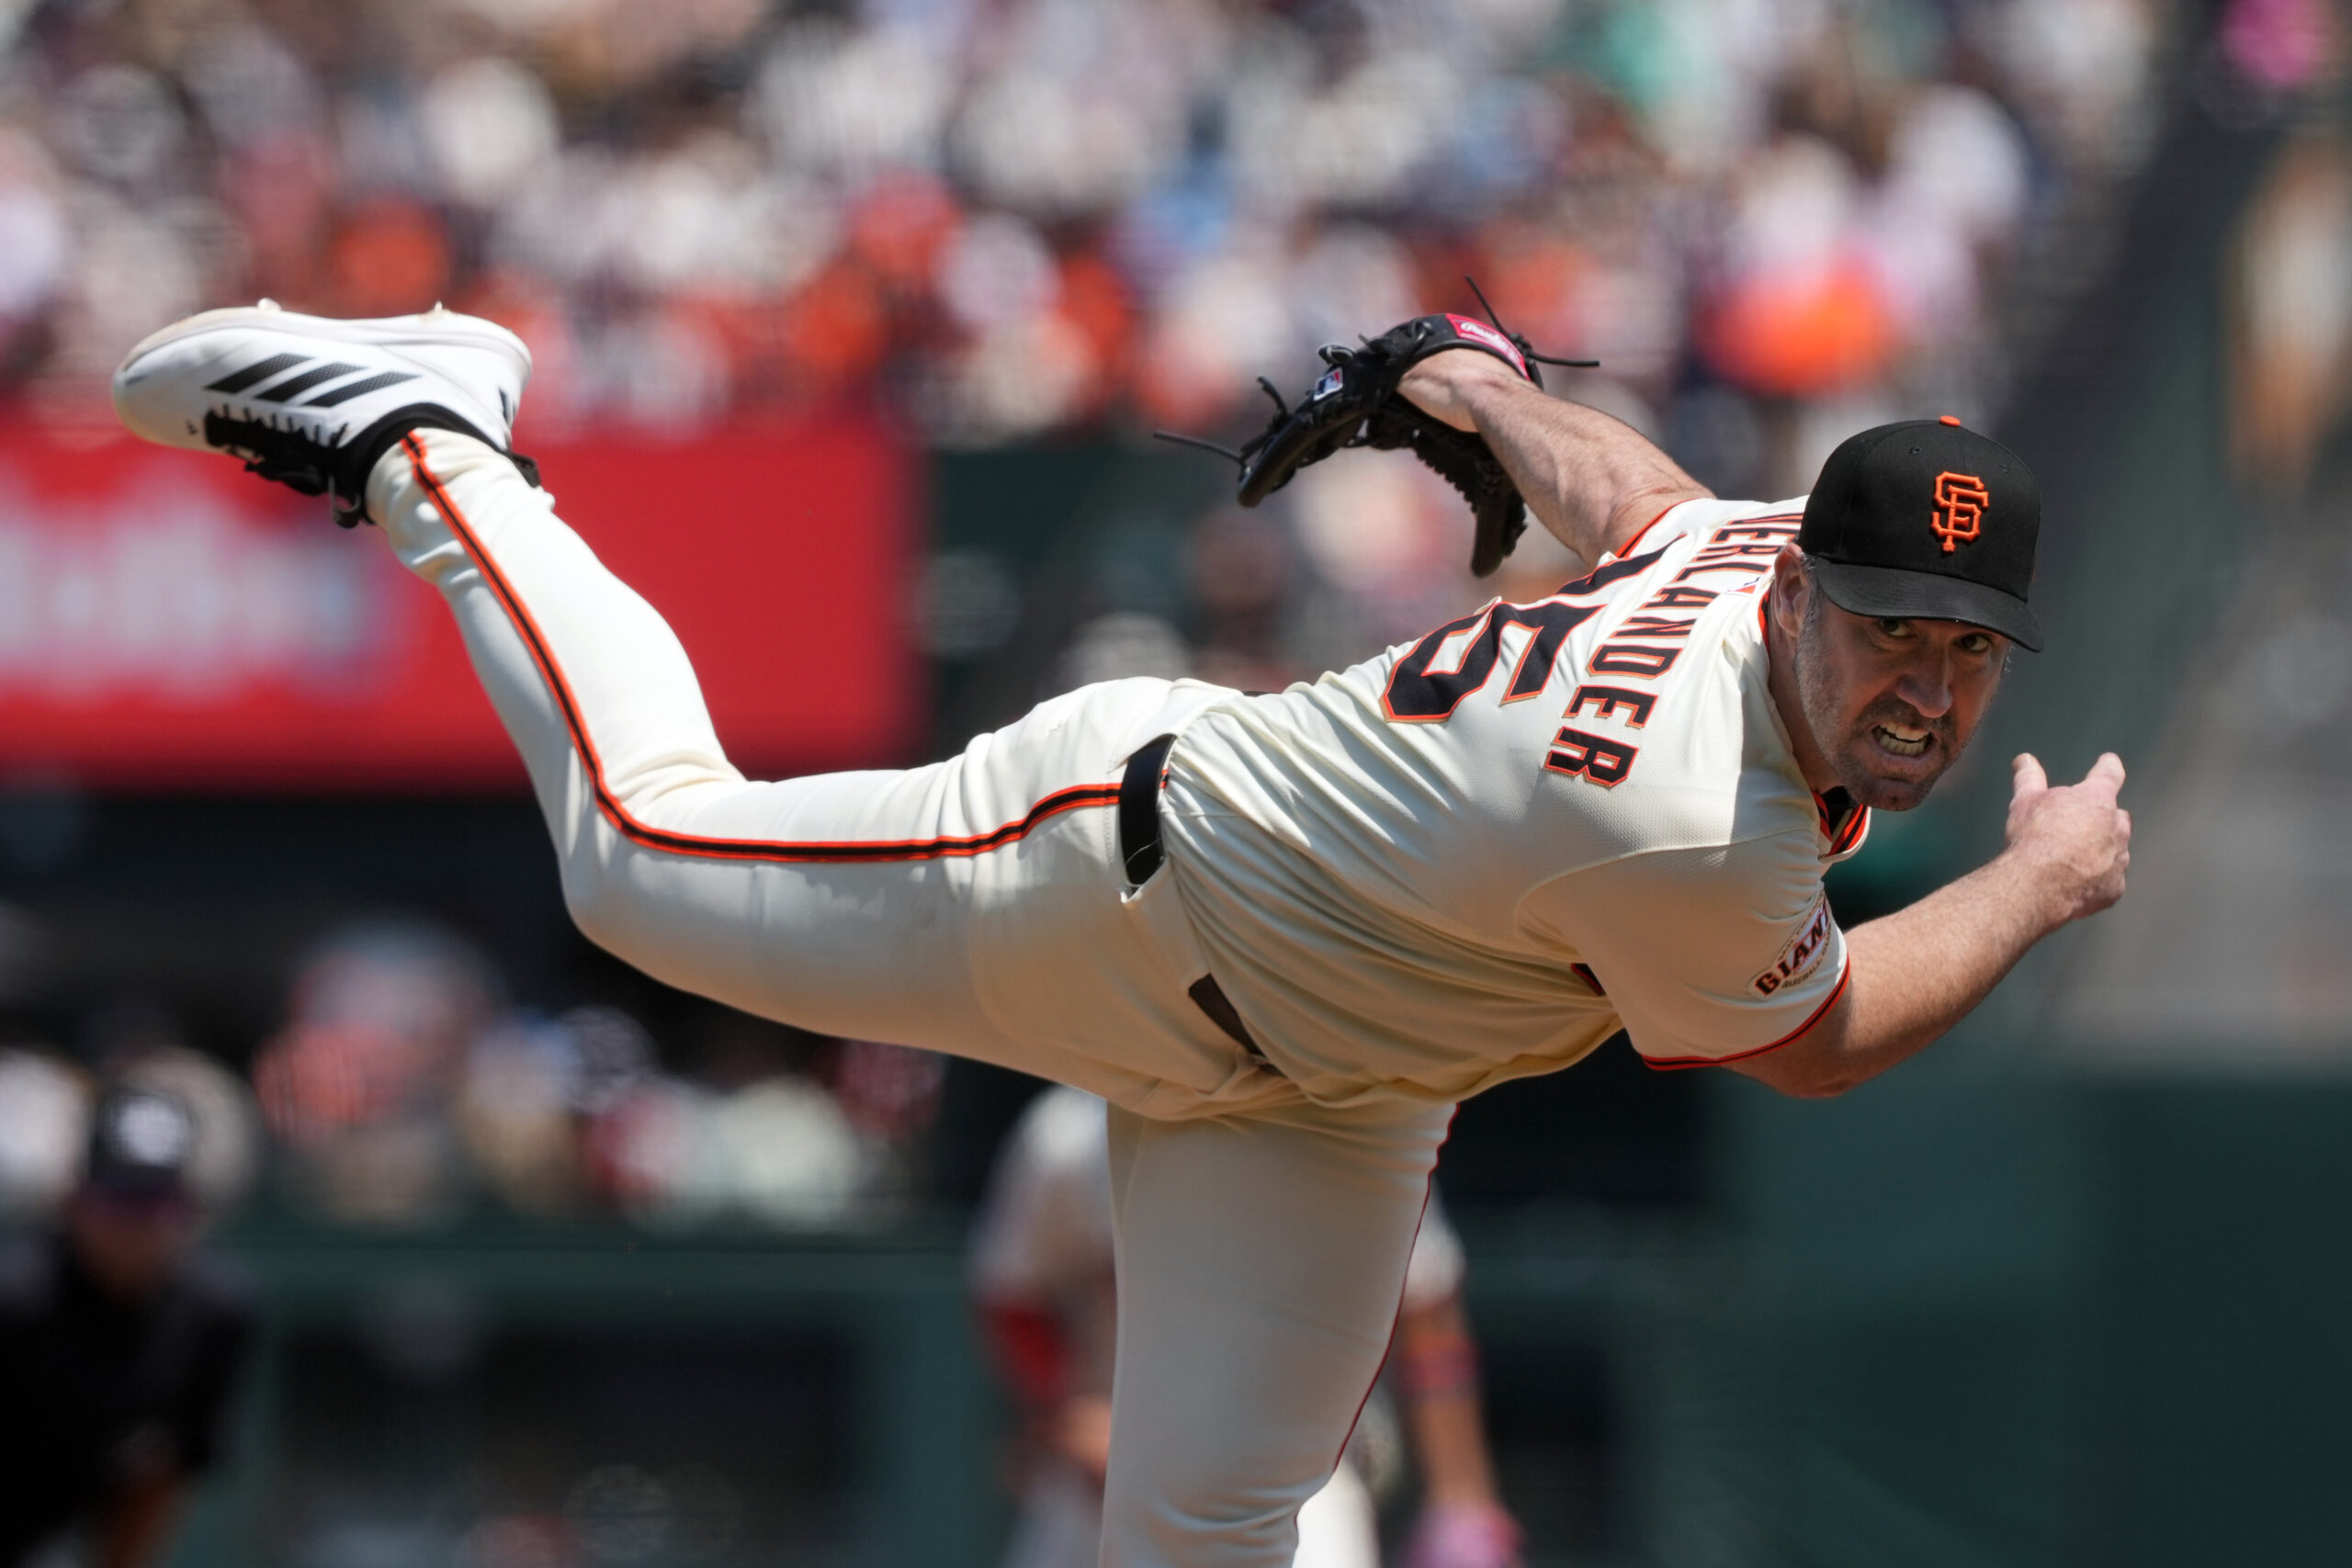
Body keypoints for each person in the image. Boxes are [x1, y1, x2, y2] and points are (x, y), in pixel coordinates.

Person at [110, 303, 2130, 1568]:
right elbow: (1821, 1034)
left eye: (1966, 652)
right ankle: (428, 435)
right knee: (637, 855)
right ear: (1804, 604)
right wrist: (2035, 881)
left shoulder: (1752, 549)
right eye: (1890, 630)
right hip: (1116, 886)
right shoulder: (1690, 817)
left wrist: (1464, 380)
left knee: (1202, 1534)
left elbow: (1637, 490)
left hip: (1338, 1087)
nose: (1925, 687)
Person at [972, 1086, 1520, 1568]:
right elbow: (1010, 1293)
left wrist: (1461, 1499)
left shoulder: (1362, 1117)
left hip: (1304, 1477)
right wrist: (1069, 1405)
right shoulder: (1071, 1132)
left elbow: (1427, 1306)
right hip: (1117, 1474)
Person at [0, 1087, 255, 1568]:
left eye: (156, 1207)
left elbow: (163, 1475)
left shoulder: (212, 1314)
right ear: (73, 1201)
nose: (136, 1229)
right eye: (118, 1203)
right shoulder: (17, 1301)